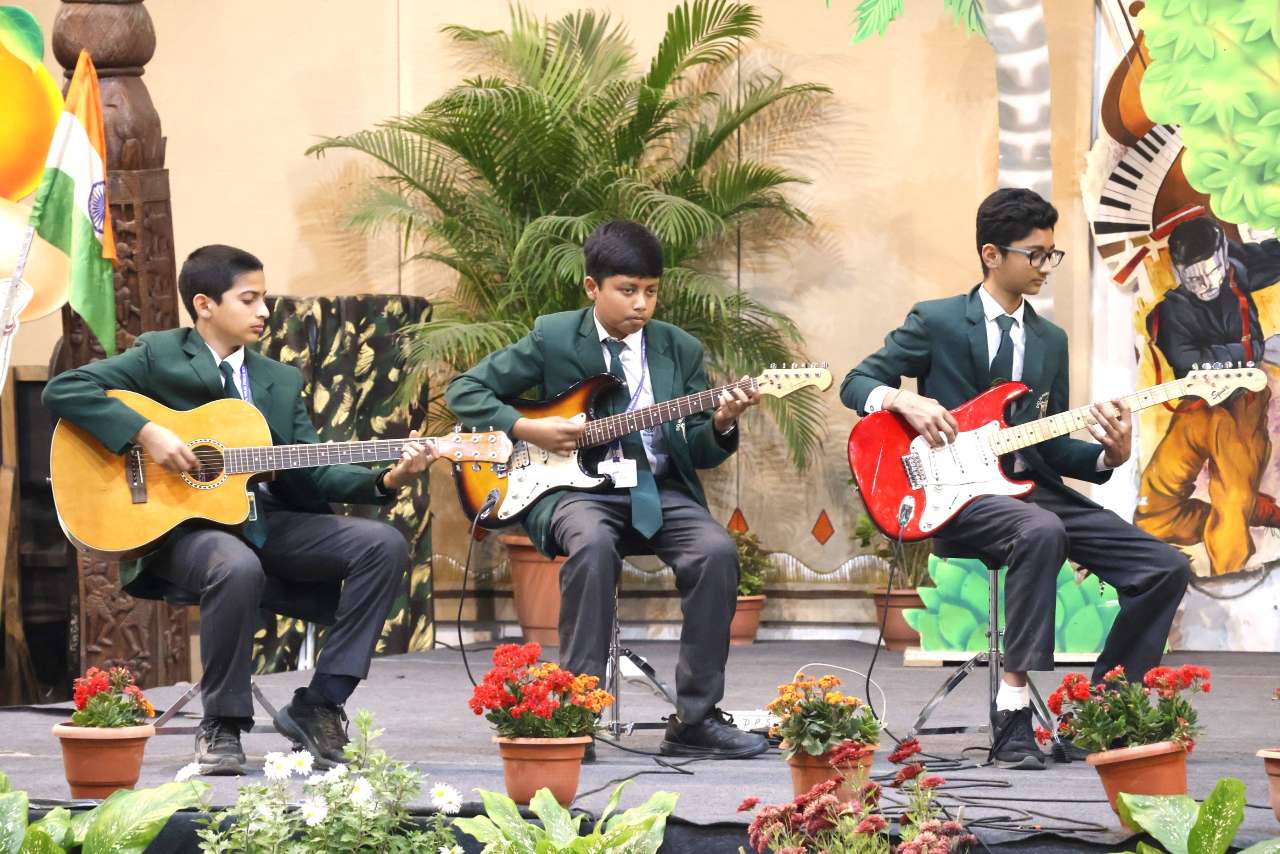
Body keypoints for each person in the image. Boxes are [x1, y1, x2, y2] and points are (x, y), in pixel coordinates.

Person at [43, 244, 436, 774]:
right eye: (248, 300)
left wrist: (387, 478)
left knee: (382, 544)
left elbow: (311, 471)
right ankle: (223, 723)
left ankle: (321, 703)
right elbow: (65, 389)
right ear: (204, 305)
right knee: (234, 564)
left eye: (264, 299)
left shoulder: (279, 380)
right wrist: (146, 432)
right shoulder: (160, 353)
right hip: (181, 531)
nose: (264, 312)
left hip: (262, 520)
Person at [841, 188, 1191, 770]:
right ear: (991, 254)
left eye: (1052, 254)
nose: (1046, 266)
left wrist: (1110, 455)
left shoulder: (1051, 340)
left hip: (1032, 490)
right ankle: (1012, 710)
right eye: (1035, 254)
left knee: (1164, 567)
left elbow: (1049, 445)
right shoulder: (937, 320)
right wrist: (905, 402)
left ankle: (1101, 716)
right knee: (1040, 530)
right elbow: (856, 382)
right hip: (955, 499)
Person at [446, 220, 768, 759]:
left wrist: (721, 422)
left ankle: (695, 719)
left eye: (651, 291)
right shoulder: (554, 336)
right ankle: (576, 713)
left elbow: (699, 450)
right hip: (574, 493)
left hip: (657, 489)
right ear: (592, 287)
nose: (641, 304)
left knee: (715, 551)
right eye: (628, 290)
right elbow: (465, 390)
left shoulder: (679, 348)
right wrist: (527, 428)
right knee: (593, 546)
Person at [1136, 217, 1280, 575]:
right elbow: (1189, 364)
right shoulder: (1170, 314)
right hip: (1197, 407)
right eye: (1194, 279)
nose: (1207, 285)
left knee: (1231, 503)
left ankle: (1228, 571)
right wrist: (1244, 351)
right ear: (1178, 271)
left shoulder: (1236, 268)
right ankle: (1251, 512)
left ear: (1224, 256)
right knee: (1153, 514)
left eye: (1213, 272)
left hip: (1243, 405)